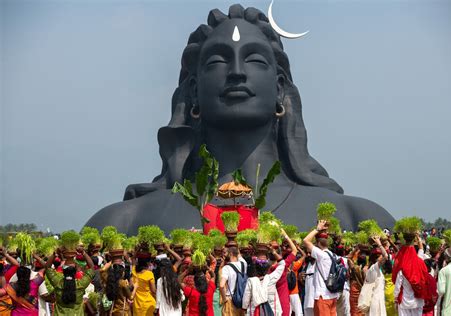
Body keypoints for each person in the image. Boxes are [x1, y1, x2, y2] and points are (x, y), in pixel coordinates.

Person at [85, 3, 395, 235]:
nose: (236, 72)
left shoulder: (358, 219)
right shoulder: (122, 222)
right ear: (193, 91)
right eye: (218, 60)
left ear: (279, 88)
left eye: (255, 60)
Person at [303, 219, 339, 316]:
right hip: (333, 295)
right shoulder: (333, 255)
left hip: (323, 296)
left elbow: (305, 240)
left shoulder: (321, 255)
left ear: (318, 244)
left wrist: (317, 229)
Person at [45, 248, 95, 316]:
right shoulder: (80, 284)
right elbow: (92, 267)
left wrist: (55, 253)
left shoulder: (58, 283)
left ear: (63, 273)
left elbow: (47, 267)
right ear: (75, 273)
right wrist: (83, 252)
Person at [393, 233, 429, 316]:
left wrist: (395, 298)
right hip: (418, 300)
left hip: (405, 301)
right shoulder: (420, 261)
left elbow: (398, 286)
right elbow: (421, 250)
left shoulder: (402, 267)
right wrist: (419, 239)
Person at [242, 250, 286, 315]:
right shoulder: (272, 278)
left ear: (255, 268)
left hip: (254, 313)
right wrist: (274, 252)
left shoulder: (251, 281)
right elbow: (282, 263)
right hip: (272, 312)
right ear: (267, 268)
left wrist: (244, 308)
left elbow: (246, 300)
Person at [269, 228, 297, 316]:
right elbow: (295, 250)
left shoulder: (264, 268)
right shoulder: (283, 265)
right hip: (283, 302)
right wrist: (286, 235)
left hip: (271, 304)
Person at [364, 237, 388, 316]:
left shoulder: (371, 269)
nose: (381, 257)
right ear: (376, 258)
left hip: (377, 299)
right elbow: (386, 256)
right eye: (379, 256)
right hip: (376, 301)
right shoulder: (374, 267)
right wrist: (379, 244)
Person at [219, 247, 246, 316]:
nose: (225, 255)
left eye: (227, 253)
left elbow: (221, 285)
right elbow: (239, 255)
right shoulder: (244, 264)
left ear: (230, 254)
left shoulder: (226, 268)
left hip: (230, 301)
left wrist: (224, 299)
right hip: (242, 301)